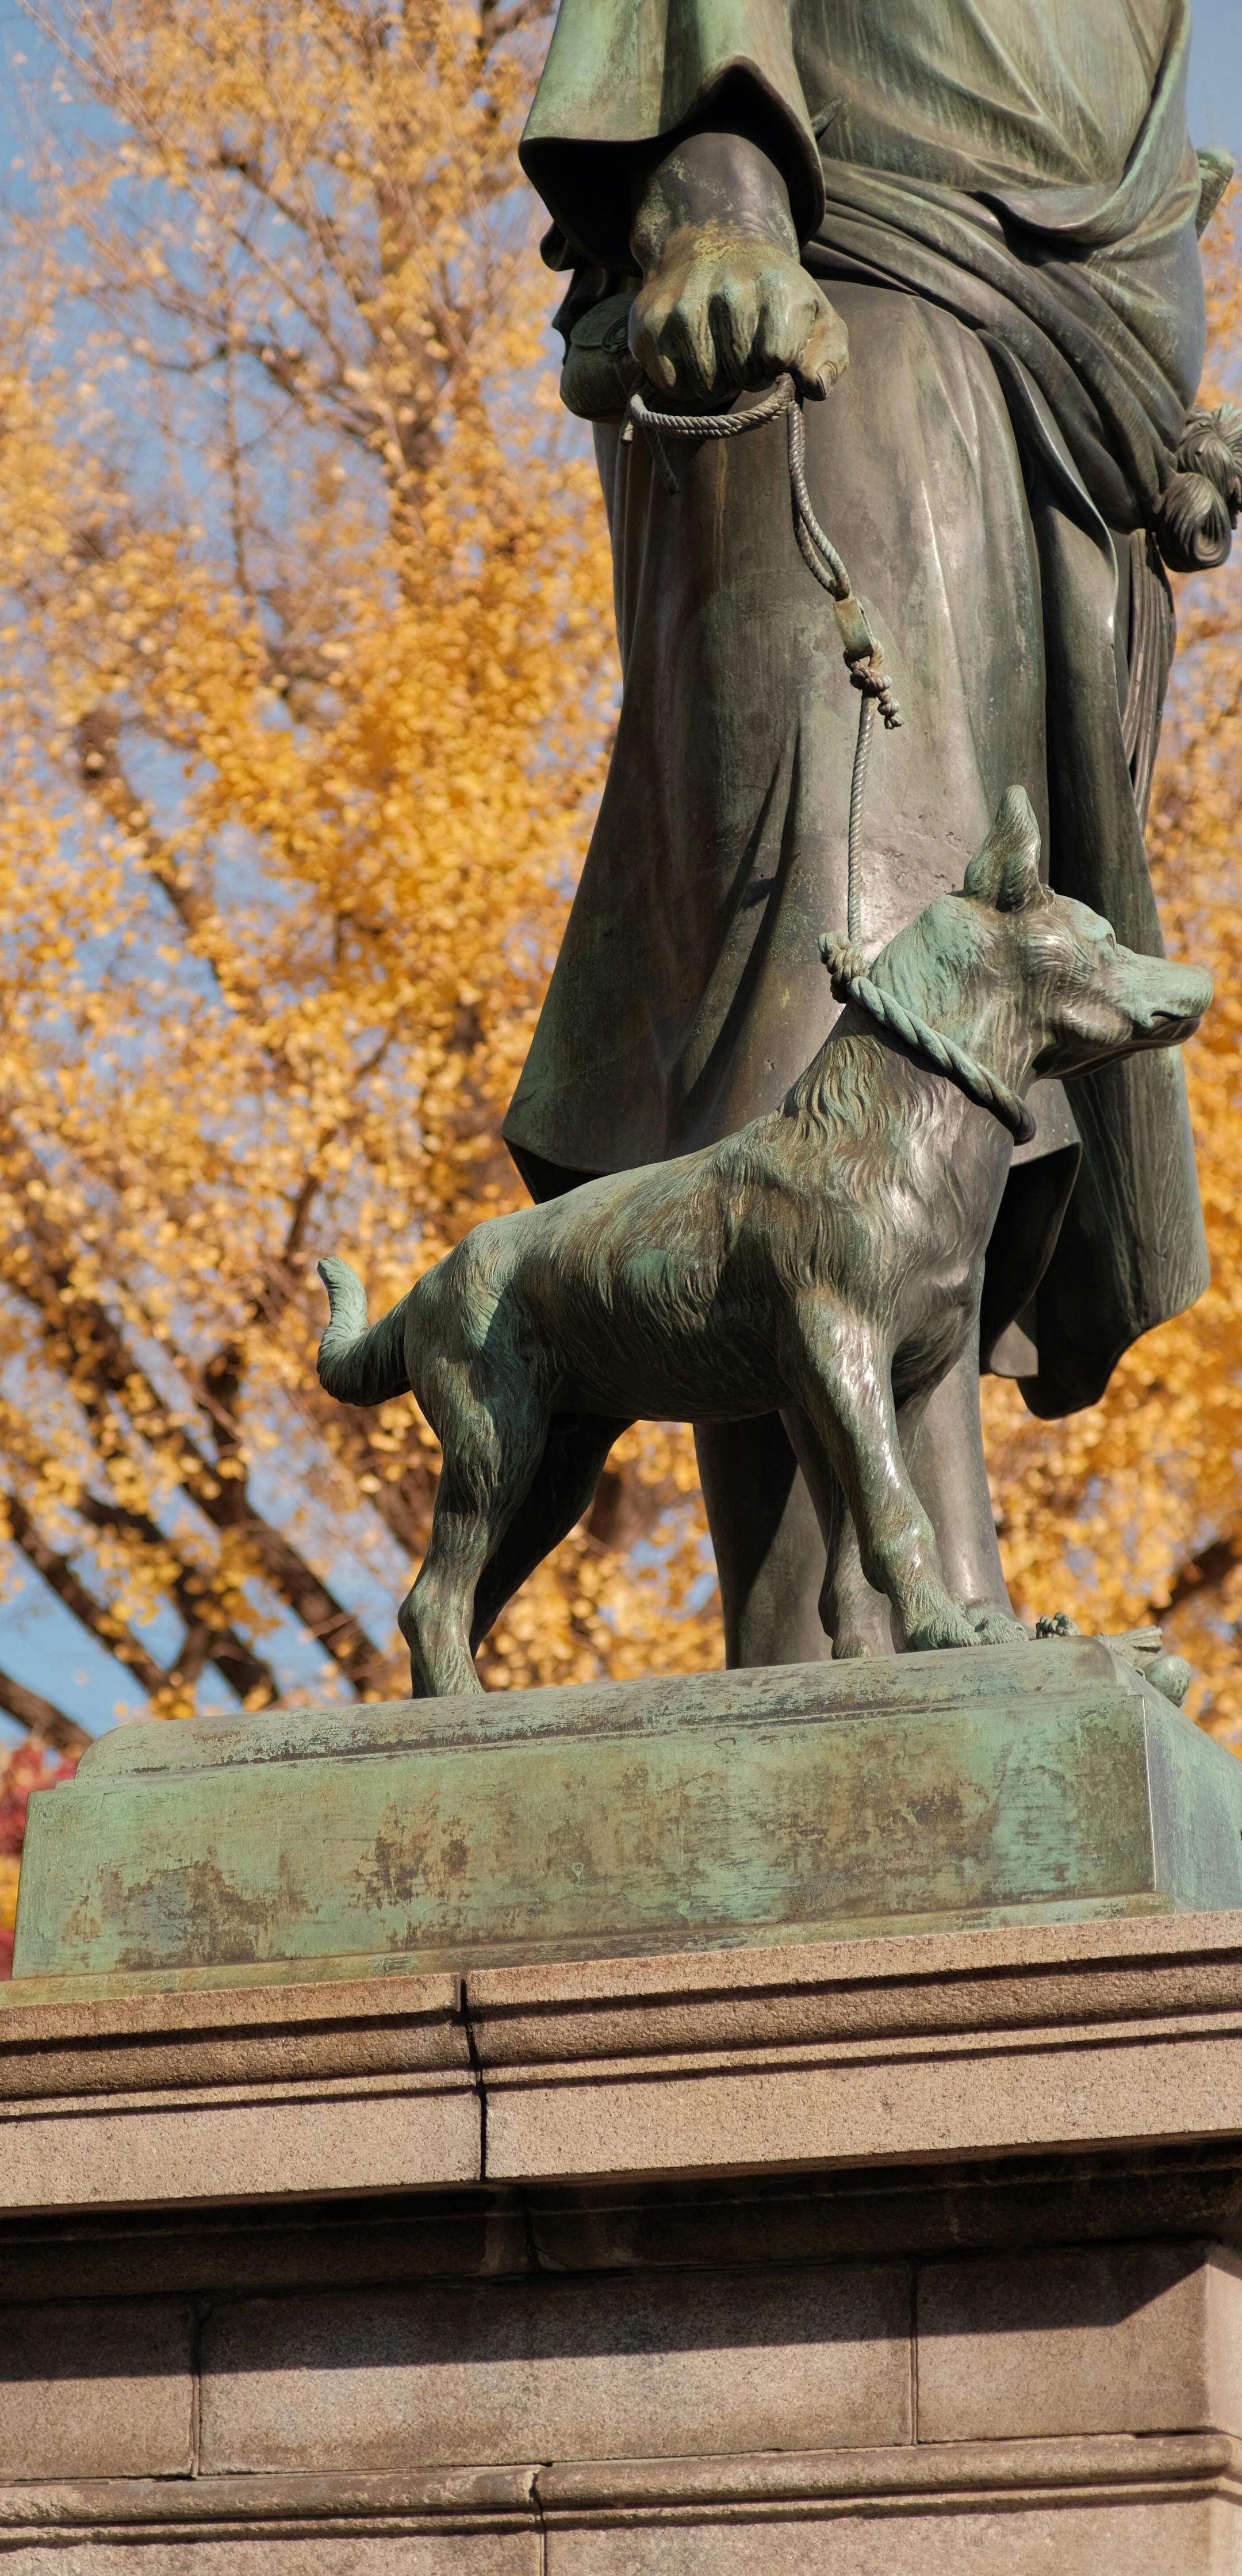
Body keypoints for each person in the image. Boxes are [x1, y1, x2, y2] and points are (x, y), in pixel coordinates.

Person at [506, 0, 1241, 1662]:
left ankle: (931, 1587)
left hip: (1079, 407)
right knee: (850, 943)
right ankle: (832, 1631)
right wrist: (715, 198)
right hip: (838, 294)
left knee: (986, 1004)